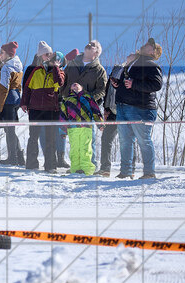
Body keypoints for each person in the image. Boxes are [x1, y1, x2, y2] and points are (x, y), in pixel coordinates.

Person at [114, 38, 164, 180]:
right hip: (123, 106)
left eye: (150, 45)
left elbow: (156, 85)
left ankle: (149, 173)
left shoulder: (151, 65)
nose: (145, 45)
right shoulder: (133, 63)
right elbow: (127, 83)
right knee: (125, 141)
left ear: (153, 51)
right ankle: (126, 172)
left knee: (144, 140)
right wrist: (117, 84)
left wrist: (134, 84)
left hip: (141, 109)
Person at [63, 40, 107, 170]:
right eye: (89, 43)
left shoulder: (99, 70)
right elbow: (63, 81)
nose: (89, 45)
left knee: (88, 141)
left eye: (93, 45)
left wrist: (86, 98)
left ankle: (89, 168)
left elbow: (102, 90)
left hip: (87, 110)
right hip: (70, 108)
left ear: (97, 52)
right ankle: (76, 167)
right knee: (74, 140)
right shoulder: (72, 63)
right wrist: (65, 95)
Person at [21, 42, 65, 172]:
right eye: (46, 54)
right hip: (35, 109)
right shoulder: (35, 70)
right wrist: (24, 102)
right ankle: (31, 164)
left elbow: (60, 82)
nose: (49, 56)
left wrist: (56, 67)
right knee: (33, 136)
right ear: (41, 56)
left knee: (50, 138)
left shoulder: (59, 71)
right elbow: (27, 87)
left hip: (51, 109)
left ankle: (51, 165)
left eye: (50, 54)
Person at [59, 83, 103, 174]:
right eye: (73, 85)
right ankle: (75, 169)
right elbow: (63, 116)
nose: (75, 85)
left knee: (86, 148)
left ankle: (87, 170)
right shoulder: (67, 100)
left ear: (81, 87)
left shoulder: (88, 98)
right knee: (75, 149)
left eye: (77, 84)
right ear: (70, 89)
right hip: (73, 129)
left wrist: (100, 123)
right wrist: (63, 130)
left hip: (86, 128)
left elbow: (96, 111)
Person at [0, 42, 24, 165]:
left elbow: (3, 89)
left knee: (9, 129)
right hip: (16, 98)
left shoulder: (6, 67)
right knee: (10, 129)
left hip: (7, 100)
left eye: (1, 53)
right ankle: (19, 156)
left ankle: (12, 157)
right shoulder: (18, 66)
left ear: (7, 54)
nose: (0, 55)